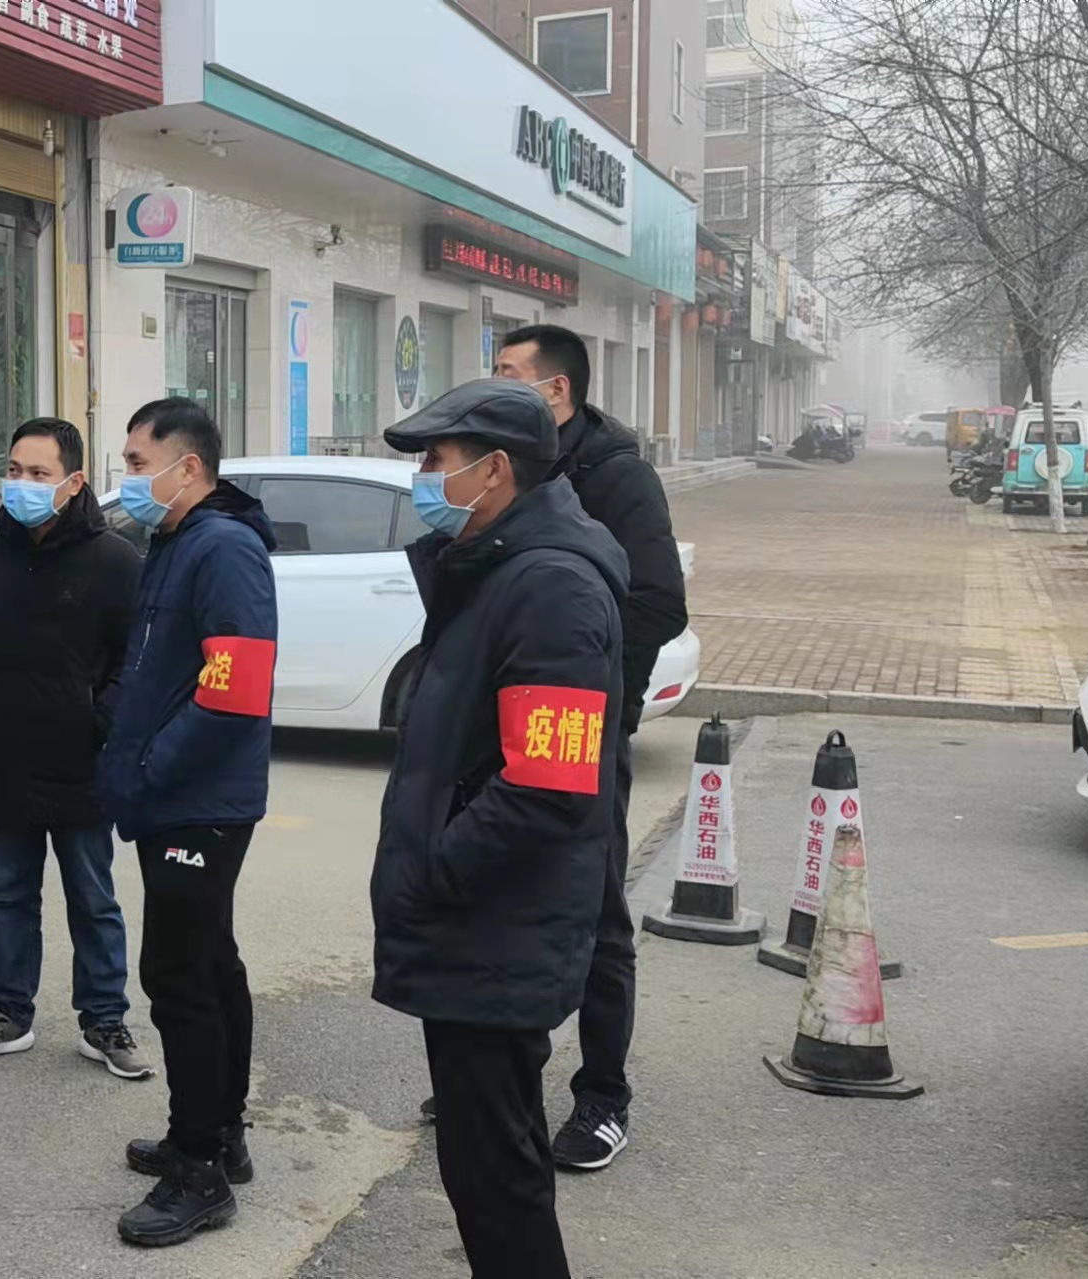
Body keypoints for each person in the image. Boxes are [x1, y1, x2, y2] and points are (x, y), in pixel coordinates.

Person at [374, 378, 627, 1279]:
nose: (424, 477)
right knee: (484, 1163)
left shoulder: (551, 586)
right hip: (478, 924)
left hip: (494, 923)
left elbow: (549, 784)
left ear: (494, 471)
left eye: (437, 459)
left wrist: (437, 868)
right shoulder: (491, 567)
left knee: (497, 1175)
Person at [485, 323, 689, 1172]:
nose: (493, 382)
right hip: (499, 727)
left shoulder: (615, 476)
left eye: (507, 372)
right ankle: (501, 1074)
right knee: (502, 904)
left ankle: (603, 1095)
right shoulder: (505, 466)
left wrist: (594, 688)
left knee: (595, 913)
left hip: (580, 729)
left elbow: (659, 602)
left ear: (557, 389)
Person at [98, 397, 278, 1248]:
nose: (129, 477)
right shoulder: (176, 541)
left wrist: (151, 763)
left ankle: (201, 1170)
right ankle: (214, 1133)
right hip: (175, 795)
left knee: (180, 976)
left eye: (139, 462)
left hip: (198, 802)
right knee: (207, 962)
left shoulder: (224, 547)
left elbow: (233, 692)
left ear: (190, 467)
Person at [0, 418, 152, 1080]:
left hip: (80, 766)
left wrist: (99, 722)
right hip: (1, 761)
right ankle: (7, 1011)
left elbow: (134, 660)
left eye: (38, 474)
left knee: (93, 899)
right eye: (13, 470)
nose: (21, 484)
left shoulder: (115, 560)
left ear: (74, 482)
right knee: (9, 896)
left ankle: (104, 1019)